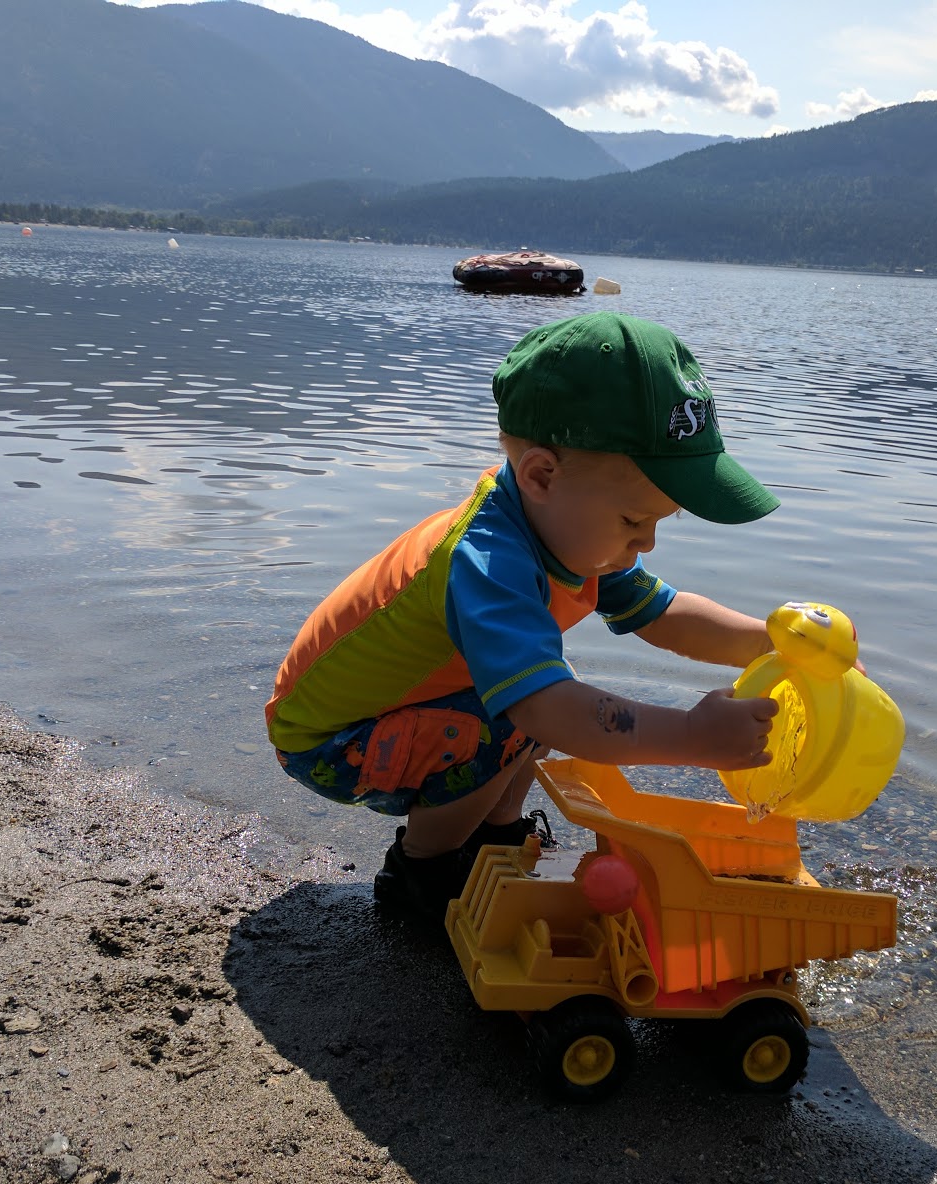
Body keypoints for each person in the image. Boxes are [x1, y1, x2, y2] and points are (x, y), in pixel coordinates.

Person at [265, 311, 781, 919]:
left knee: (531, 701)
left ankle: (492, 838)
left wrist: (773, 642)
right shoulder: (487, 561)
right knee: (531, 709)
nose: (646, 543)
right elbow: (549, 712)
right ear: (541, 475)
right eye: (634, 520)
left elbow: (663, 613)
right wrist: (693, 737)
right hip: (330, 741)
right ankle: (421, 874)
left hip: (403, 713)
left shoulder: (561, 531)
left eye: (657, 523)